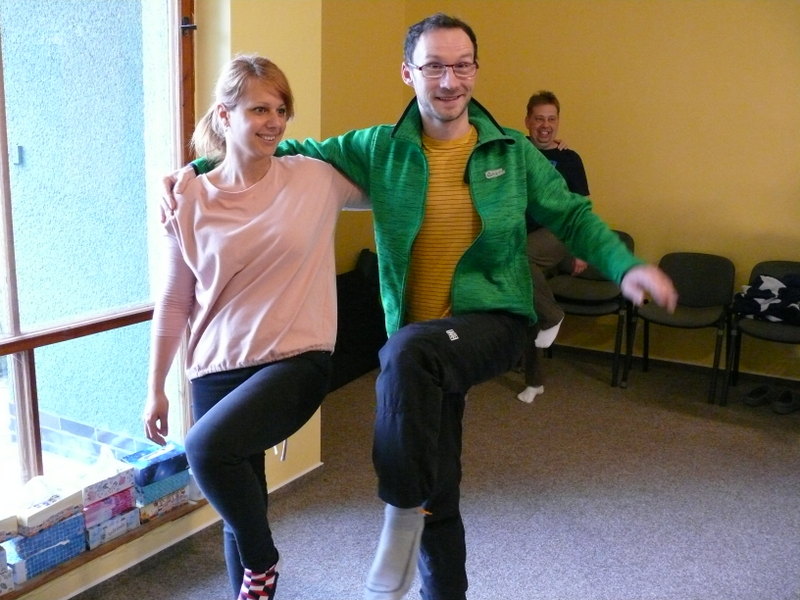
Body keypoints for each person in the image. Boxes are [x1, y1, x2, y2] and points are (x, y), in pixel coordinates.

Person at [164, 14, 677, 600]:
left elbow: (572, 215)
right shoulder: (380, 149)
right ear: (409, 73)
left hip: (493, 321)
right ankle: (431, 546)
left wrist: (625, 265)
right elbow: (279, 149)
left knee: (406, 356)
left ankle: (399, 511)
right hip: (423, 353)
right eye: (434, 66)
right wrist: (193, 173)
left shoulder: (511, 152)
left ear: (476, 71)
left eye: (461, 65)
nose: (449, 80)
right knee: (440, 482)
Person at [144, 54, 367, 600]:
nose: (274, 122)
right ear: (225, 115)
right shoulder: (187, 198)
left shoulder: (315, 178)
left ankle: (265, 562)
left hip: (296, 359)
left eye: (281, 110)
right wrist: (156, 389)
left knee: (204, 451)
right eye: (259, 110)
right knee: (239, 504)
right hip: (214, 366)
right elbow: (174, 300)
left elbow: (391, 184)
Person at [518, 90, 592, 404]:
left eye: (551, 119)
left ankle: (552, 315)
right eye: (539, 119)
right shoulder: (516, 152)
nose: (545, 125)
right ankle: (534, 381)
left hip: (558, 236)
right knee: (526, 303)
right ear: (528, 121)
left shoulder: (569, 159)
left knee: (520, 258)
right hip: (524, 240)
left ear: (558, 122)